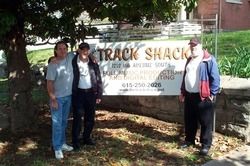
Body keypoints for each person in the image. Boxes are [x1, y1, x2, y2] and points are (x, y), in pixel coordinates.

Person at [179, 37, 220, 156]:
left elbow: (215, 78)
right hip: (189, 95)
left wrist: (212, 93)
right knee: (189, 119)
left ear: (201, 46)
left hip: (203, 97)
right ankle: (189, 140)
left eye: (195, 46)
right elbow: (185, 77)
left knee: (205, 122)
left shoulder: (208, 59)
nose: (193, 48)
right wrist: (182, 91)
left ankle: (205, 145)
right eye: (191, 46)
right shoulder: (189, 59)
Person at [71, 42, 103, 151]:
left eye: (86, 50)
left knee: (90, 118)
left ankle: (86, 138)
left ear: (88, 50)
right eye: (82, 49)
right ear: (79, 50)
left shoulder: (93, 62)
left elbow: (98, 78)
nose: (84, 51)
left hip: (91, 93)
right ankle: (75, 141)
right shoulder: (73, 61)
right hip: (78, 93)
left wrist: (99, 94)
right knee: (77, 118)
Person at [46, 41, 74, 159]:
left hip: (68, 96)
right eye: (60, 49)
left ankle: (62, 144)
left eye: (64, 48)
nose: (62, 51)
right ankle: (57, 148)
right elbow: (49, 83)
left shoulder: (70, 57)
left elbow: (83, 51)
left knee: (64, 122)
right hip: (57, 98)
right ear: (56, 51)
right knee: (57, 123)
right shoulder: (53, 64)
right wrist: (53, 99)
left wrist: (92, 57)